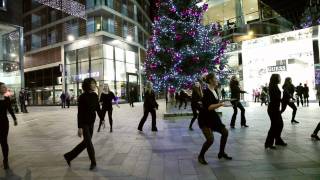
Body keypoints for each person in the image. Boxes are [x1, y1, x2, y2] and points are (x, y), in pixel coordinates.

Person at [64, 78, 101, 170]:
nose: (94, 85)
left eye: (94, 83)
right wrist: (79, 127)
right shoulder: (82, 97)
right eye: (92, 83)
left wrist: (102, 119)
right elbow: (79, 113)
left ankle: (69, 156)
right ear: (88, 85)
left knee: (85, 143)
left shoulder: (95, 95)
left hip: (91, 122)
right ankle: (93, 162)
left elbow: (97, 108)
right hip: (84, 123)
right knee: (88, 142)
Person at [198, 73, 232, 165]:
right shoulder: (206, 91)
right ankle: (200, 156)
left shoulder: (215, 90)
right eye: (215, 78)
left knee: (225, 132)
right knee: (210, 140)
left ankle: (221, 153)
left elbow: (215, 104)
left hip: (212, 116)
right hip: (205, 118)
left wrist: (223, 102)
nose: (217, 80)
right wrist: (220, 104)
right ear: (210, 80)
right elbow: (209, 107)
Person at [265, 74, 287, 149]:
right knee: (274, 126)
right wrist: (284, 100)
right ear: (275, 78)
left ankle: (278, 140)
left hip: (275, 108)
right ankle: (268, 143)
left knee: (280, 124)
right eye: (279, 77)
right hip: (273, 109)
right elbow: (275, 98)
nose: (280, 79)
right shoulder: (272, 86)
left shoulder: (274, 85)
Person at [0, 82, 18, 169]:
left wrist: (14, 119)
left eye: (5, 87)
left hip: (4, 123)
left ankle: (5, 160)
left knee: (4, 142)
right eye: (3, 87)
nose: (5, 88)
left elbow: (10, 109)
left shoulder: (7, 98)